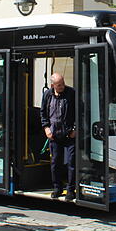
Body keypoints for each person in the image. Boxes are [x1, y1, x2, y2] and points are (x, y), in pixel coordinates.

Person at [40, 73, 76, 201]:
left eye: (63, 83)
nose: (62, 86)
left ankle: (71, 189)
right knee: (55, 163)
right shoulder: (47, 95)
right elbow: (43, 112)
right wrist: (46, 128)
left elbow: (79, 111)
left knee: (71, 162)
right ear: (52, 85)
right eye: (59, 85)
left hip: (69, 133)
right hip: (54, 135)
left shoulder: (71, 93)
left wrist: (75, 129)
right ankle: (57, 188)